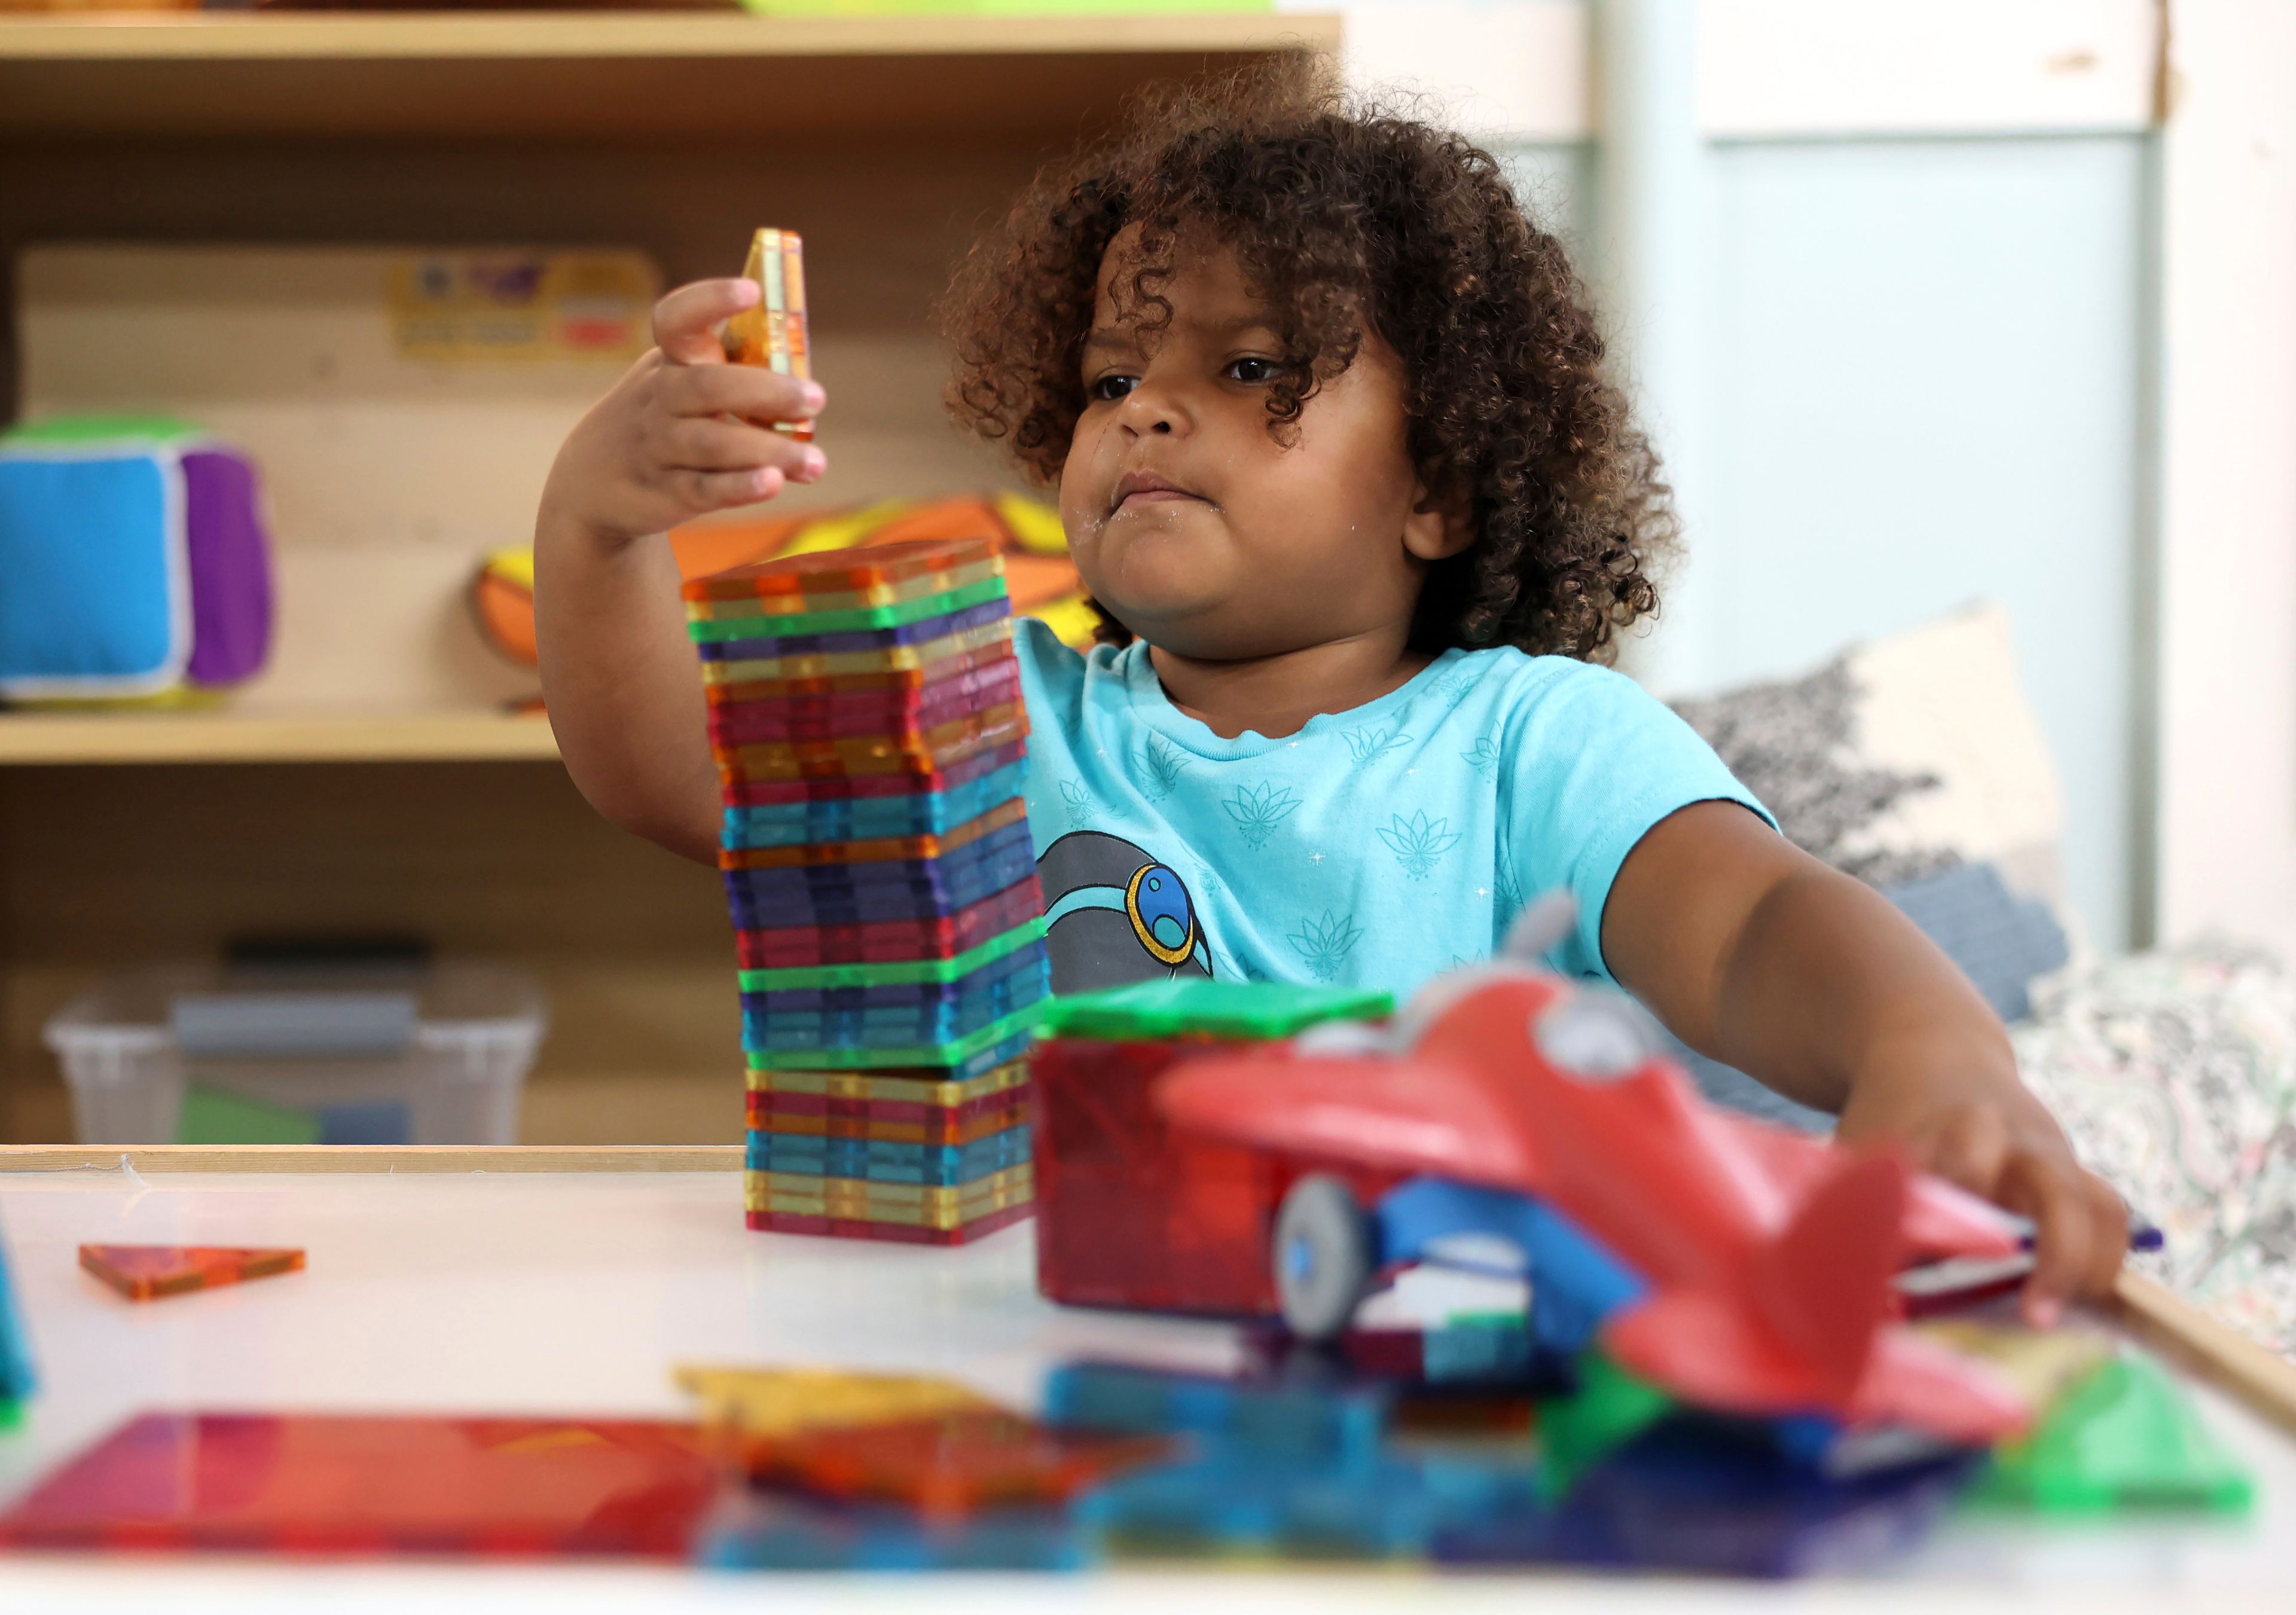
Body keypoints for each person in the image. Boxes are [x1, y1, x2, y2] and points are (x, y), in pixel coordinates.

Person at [532, 65, 2125, 1317]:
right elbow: (677, 771)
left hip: (1420, 1393)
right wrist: (597, 523)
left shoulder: (1533, 741)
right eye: (1110, 378)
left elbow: (1762, 924)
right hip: (1027, 1372)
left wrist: (1935, 1051)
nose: (1147, 413)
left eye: (1245, 370)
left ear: (1439, 484)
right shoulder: (999, 714)